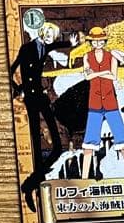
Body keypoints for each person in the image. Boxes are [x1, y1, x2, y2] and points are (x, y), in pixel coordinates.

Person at [10, 21, 79, 202]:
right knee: (36, 144)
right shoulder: (27, 48)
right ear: (42, 32)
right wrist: (19, 89)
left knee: (57, 147)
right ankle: (34, 190)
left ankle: (29, 185)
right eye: (48, 34)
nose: (50, 38)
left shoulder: (45, 48)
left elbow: (56, 46)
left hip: (41, 98)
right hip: (31, 99)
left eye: (52, 36)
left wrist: (70, 44)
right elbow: (12, 69)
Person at [80, 27, 124, 179]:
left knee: (122, 138)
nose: (98, 43)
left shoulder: (111, 56)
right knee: (89, 141)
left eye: (100, 41)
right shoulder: (87, 56)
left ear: (104, 41)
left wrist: (97, 74)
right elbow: (87, 76)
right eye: (95, 41)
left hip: (111, 102)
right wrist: (104, 72)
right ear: (91, 42)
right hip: (94, 103)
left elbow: (113, 76)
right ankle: (84, 178)